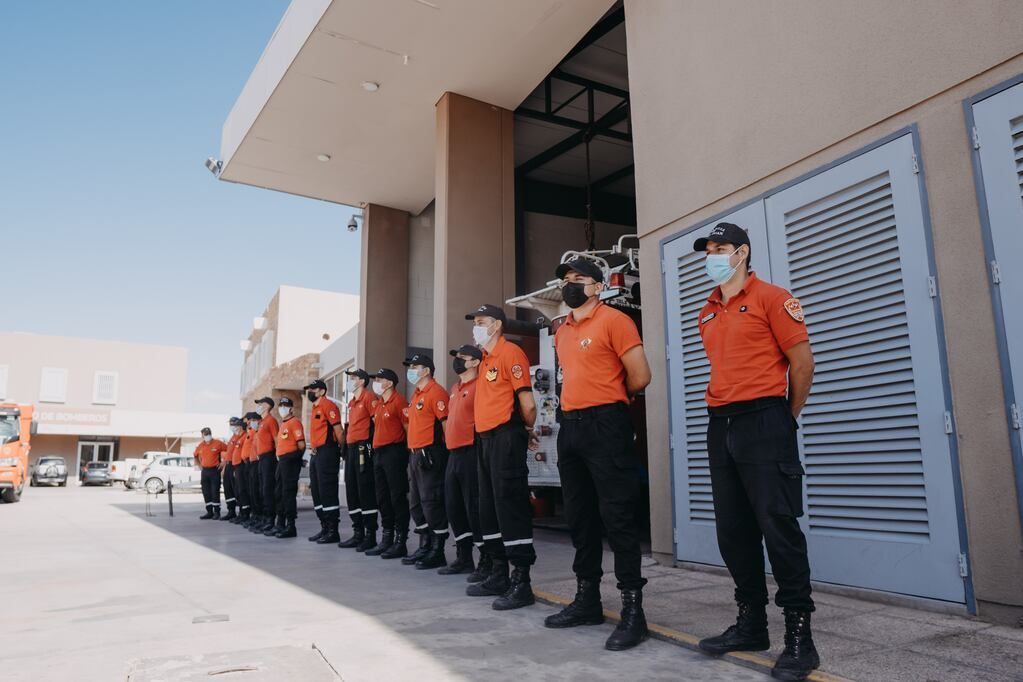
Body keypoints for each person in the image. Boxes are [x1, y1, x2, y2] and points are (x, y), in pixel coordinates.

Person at [690, 222, 819, 681]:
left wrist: (786, 418)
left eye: (720, 248)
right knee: (733, 530)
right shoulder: (705, 311)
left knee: (777, 525)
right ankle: (751, 624)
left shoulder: (772, 297)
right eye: (708, 250)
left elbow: (802, 364)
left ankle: (800, 637)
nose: (713, 256)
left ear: (741, 252)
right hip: (720, 423)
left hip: (766, 419)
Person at [542, 258, 653, 651]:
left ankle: (633, 612)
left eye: (579, 280)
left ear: (597, 286)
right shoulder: (561, 331)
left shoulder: (615, 321)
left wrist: (609, 398)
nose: (570, 285)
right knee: (580, 517)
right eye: (566, 280)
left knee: (618, 517)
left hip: (607, 424)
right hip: (570, 428)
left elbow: (640, 375)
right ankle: (587, 600)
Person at [465, 303, 538, 610]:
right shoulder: (484, 362)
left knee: (510, 505)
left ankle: (521, 581)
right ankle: (498, 572)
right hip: (484, 440)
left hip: (506, 437)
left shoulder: (511, 354)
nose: (476, 328)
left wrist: (525, 429)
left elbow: (528, 403)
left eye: (481, 322)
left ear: (495, 326)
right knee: (488, 507)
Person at [402, 353, 451, 569]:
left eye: (415, 366)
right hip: (414, 454)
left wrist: (447, 453)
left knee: (432, 501)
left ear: (427, 370)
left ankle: (437, 550)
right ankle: (425, 544)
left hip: (430, 454)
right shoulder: (417, 394)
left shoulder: (436, 392)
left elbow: (446, 425)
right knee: (416, 503)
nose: (411, 370)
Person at [441, 344, 484, 578]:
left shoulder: (481, 386)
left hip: (471, 451)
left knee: (474, 507)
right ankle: (463, 557)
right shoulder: (455, 388)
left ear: (475, 361)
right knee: (454, 507)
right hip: (453, 453)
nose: (457, 360)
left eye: (462, 357)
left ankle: (485, 560)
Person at [364, 368, 409, 558]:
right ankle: (387, 537)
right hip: (379, 453)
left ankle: (400, 541)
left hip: (394, 452)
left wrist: (407, 454)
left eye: (380, 379)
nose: (376, 382)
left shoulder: (399, 401)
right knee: (382, 497)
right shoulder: (380, 403)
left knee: (396, 496)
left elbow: (408, 427)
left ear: (389, 383)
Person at [338, 369, 378, 549]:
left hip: (364, 448)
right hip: (351, 449)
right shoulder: (352, 402)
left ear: (361, 381)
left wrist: (371, 447)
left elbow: (377, 424)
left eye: (353, 378)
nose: (350, 381)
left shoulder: (369, 398)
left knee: (365, 490)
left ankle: (370, 534)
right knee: (352, 490)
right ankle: (358, 532)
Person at [304, 379, 345, 545]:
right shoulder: (315, 408)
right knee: (317, 491)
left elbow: (338, 430)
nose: (310, 392)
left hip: (328, 451)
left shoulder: (329, 406)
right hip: (315, 453)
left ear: (321, 391)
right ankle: (324, 527)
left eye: (313, 389)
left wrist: (342, 450)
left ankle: (333, 530)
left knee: (327, 490)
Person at [272, 396, 305, 539]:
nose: (282, 408)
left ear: (291, 408)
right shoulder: (283, 424)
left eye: (285, 406)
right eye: (281, 406)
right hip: (282, 461)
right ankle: (280, 523)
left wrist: (293, 458)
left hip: (290, 461)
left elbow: (301, 446)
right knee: (279, 492)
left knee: (288, 493)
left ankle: (291, 526)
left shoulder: (295, 423)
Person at [252, 398, 280, 536]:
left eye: (260, 404)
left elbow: (276, 439)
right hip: (261, 458)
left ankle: (270, 519)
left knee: (268, 489)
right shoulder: (261, 422)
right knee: (262, 489)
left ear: (267, 406)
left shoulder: (271, 420)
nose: (258, 406)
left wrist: (277, 456)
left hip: (269, 457)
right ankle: (264, 517)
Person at [195, 427, 227, 520]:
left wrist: (223, 462)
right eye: (205, 434)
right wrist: (200, 466)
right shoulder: (200, 445)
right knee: (206, 492)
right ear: (202, 435)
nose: (207, 435)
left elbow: (230, 450)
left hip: (215, 470)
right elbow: (195, 456)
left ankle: (217, 512)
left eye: (208, 433)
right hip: (205, 471)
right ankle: (209, 512)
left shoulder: (218, 443)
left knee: (215, 491)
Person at [231, 412, 257, 525]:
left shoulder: (247, 435)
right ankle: (242, 512)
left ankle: (246, 513)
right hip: (238, 466)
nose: (235, 428)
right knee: (239, 490)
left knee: (243, 490)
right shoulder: (242, 436)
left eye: (237, 425)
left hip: (244, 465)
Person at [219, 417, 244, 521]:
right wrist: (224, 466)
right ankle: (231, 511)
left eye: (232, 425)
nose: (231, 427)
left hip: (235, 465)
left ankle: (242, 512)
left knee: (237, 489)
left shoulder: (240, 437)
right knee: (227, 488)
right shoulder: (233, 437)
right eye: (230, 425)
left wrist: (234, 467)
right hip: (228, 465)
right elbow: (229, 453)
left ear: (238, 425)